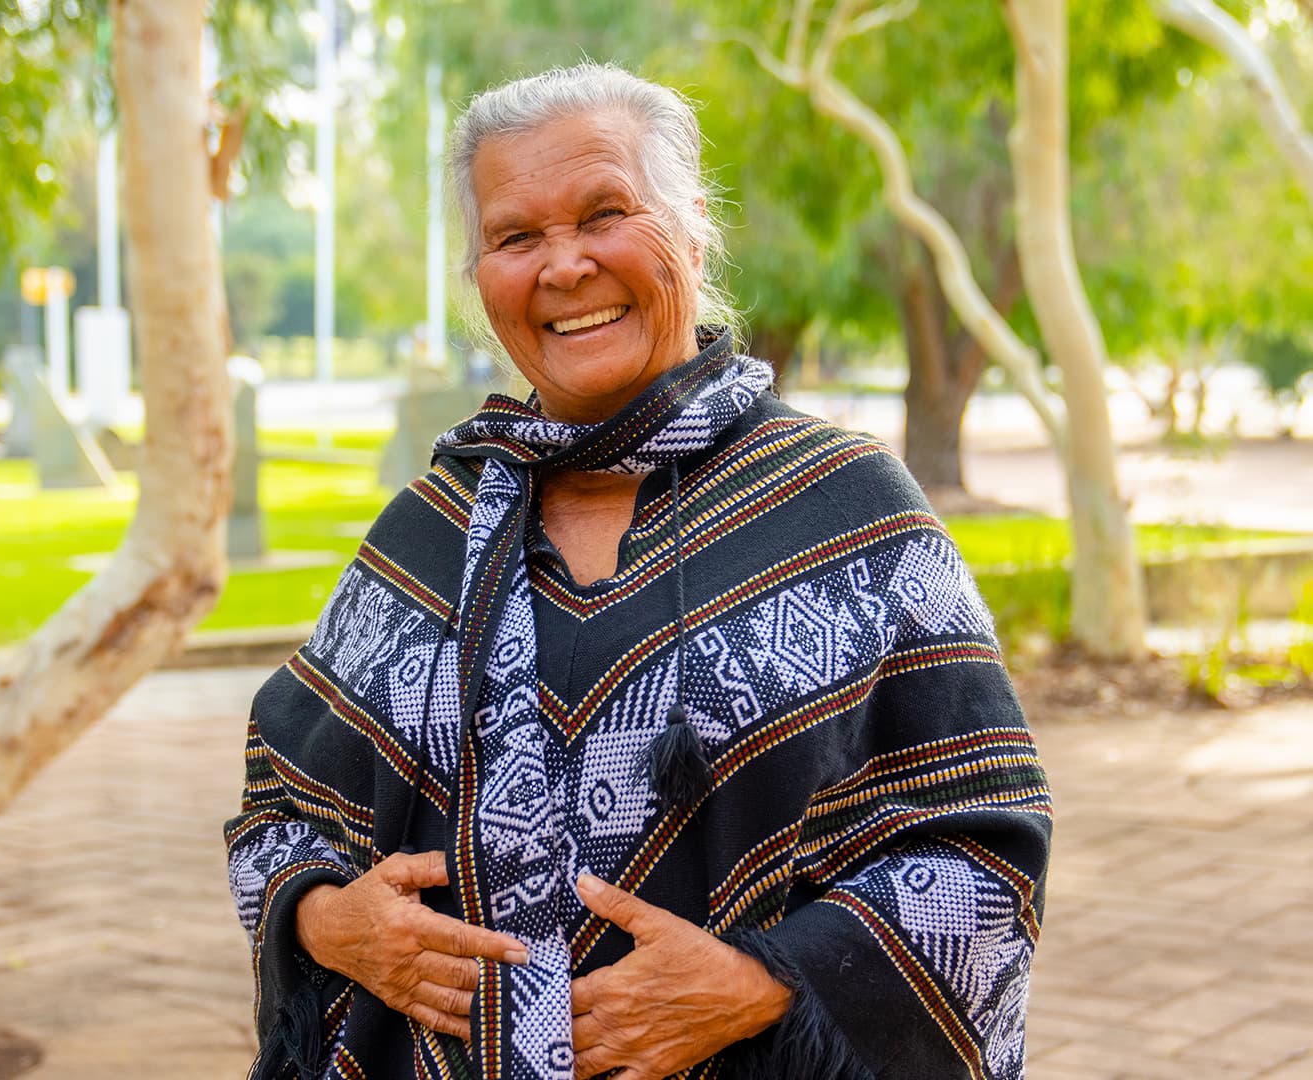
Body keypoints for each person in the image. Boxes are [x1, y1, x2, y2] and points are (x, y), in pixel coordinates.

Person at [225, 62, 1050, 1080]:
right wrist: (325, 919)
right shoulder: (428, 529)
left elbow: (983, 851)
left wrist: (768, 981)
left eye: (604, 213)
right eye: (515, 236)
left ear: (692, 226)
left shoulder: (846, 507)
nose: (564, 265)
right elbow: (279, 807)